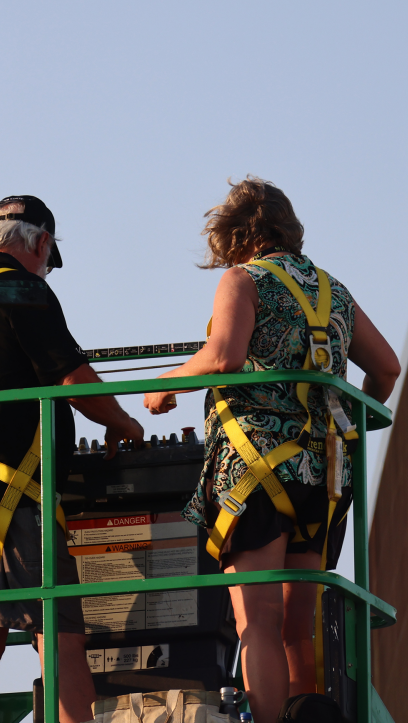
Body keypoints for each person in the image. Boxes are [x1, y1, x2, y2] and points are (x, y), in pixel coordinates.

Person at [143, 178, 399, 722]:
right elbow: (387, 369)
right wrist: (348, 425)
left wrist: (167, 384)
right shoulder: (333, 290)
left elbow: (224, 356)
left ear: (235, 237)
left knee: (254, 623)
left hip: (255, 472)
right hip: (323, 476)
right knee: (293, 628)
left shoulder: (244, 280)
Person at [0, 196, 144, 723]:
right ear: (40, 244)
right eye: (49, 256)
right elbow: (74, 380)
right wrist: (123, 422)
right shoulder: (26, 291)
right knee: (59, 639)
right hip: (22, 501)